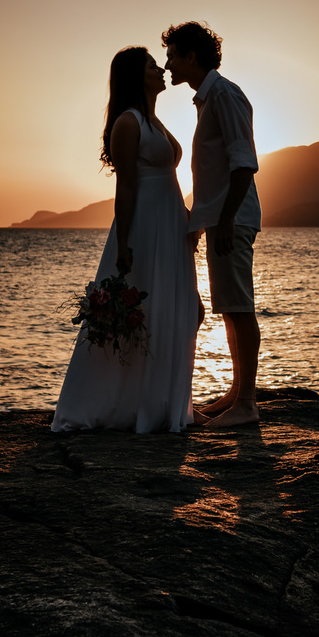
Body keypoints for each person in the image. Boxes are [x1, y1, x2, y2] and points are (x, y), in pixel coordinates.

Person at [51, 47, 200, 433]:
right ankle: (111, 404)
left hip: (169, 226)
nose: (162, 69)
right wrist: (123, 244)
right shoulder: (129, 123)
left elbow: (170, 181)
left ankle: (163, 402)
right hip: (144, 230)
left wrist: (187, 223)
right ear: (137, 76)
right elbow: (127, 187)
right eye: (153, 65)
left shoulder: (154, 120)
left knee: (175, 308)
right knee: (136, 314)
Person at [162, 22, 262, 428]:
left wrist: (222, 221)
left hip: (231, 220)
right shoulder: (208, 98)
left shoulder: (223, 94)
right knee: (229, 308)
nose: (167, 63)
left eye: (172, 55)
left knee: (238, 308)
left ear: (191, 57)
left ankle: (247, 405)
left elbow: (244, 163)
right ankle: (237, 394)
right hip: (222, 219)